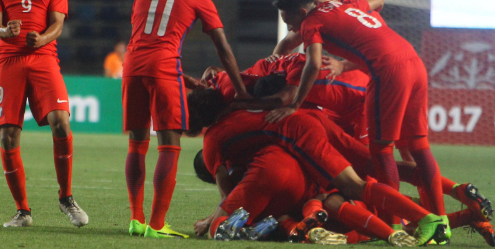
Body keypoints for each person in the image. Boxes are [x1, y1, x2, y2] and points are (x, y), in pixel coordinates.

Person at [271, 0, 449, 239]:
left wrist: (295, 103)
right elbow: (376, 2)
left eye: (289, 22)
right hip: (414, 62)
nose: (289, 28)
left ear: (303, 10)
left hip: (388, 73)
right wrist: (276, 57)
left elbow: (313, 64)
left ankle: (394, 228)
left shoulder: (311, 21)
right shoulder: (345, 3)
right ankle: (441, 225)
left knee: (381, 151)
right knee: (419, 146)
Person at [187, 88, 450, 246]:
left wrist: (209, 220)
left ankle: (426, 218)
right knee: (371, 165)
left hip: (299, 134)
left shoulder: (212, 139)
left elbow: (228, 198)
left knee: (352, 186)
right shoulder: (237, 106)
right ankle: (451, 190)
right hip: (312, 117)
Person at [123, 0, 250, 239]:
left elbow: (149, 39)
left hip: (132, 64)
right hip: (163, 67)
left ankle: (136, 220)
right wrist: (241, 90)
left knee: (137, 145)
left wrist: (185, 79)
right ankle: (155, 225)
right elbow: (222, 47)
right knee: (169, 144)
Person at [0, 0, 88, 228]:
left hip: (43, 59)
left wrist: (41, 38)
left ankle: (66, 198)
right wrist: (6, 32)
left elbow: (57, 24)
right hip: (9, 62)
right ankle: (23, 212)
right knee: (7, 136)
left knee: (61, 121)